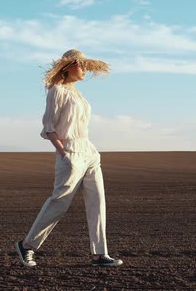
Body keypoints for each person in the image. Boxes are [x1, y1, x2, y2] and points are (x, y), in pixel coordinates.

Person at [14, 49, 123, 267]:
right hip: (71, 153)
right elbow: (49, 127)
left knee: (97, 202)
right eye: (80, 65)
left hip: (90, 152)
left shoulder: (79, 95)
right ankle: (27, 246)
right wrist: (64, 154)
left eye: (85, 65)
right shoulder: (57, 91)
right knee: (59, 203)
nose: (84, 69)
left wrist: (89, 152)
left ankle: (99, 254)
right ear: (67, 67)